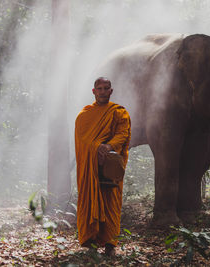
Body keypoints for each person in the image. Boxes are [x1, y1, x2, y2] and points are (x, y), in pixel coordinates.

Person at [75, 77, 131, 256]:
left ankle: (110, 245)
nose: (102, 91)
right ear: (93, 91)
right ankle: (90, 242)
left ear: (111, 91)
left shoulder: (119, 112)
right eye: (99, 88)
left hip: (110, 167)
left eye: (106, 88)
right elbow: (82, 139)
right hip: (90, 169)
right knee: (89, 199)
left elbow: (123, 134)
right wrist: (96, 148)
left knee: (111, 203)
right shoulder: (84, 115)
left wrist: (108, 147)